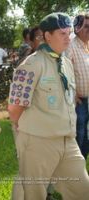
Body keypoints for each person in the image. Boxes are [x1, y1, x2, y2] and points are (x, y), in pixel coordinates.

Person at [8, 12, 89, 200]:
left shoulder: (67, 64)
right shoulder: (30, 65)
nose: (68, 38)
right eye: (62, 33)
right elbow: (14, 108)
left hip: (67, 141)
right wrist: (29, 134)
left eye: (69, 33)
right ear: (47, 36)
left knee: (83, 190)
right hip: (39, 142)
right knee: (34, 194)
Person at [65, 12, 89, 160]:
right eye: (86, 26)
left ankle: (81, 170)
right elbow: (63, 72)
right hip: (79, 103)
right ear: (77, 28)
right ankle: (75, 169)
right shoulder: (71, 46)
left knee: (87, 137)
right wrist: (72, 94)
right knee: (79, 136)